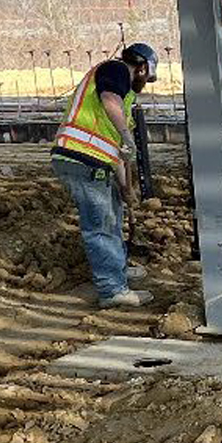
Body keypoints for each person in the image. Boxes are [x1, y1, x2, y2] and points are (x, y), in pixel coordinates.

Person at [52, 41, 158, 308]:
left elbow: (119, 151)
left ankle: (117, 268)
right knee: (100, 225)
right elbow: (109, 100)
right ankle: (112, 289)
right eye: (148, 76)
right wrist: (125, 135)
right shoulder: (116, 69)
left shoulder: (125, 99)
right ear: (143, 68)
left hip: (95, 160)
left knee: (112, 217)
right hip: (80, 157)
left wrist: (125, 187)